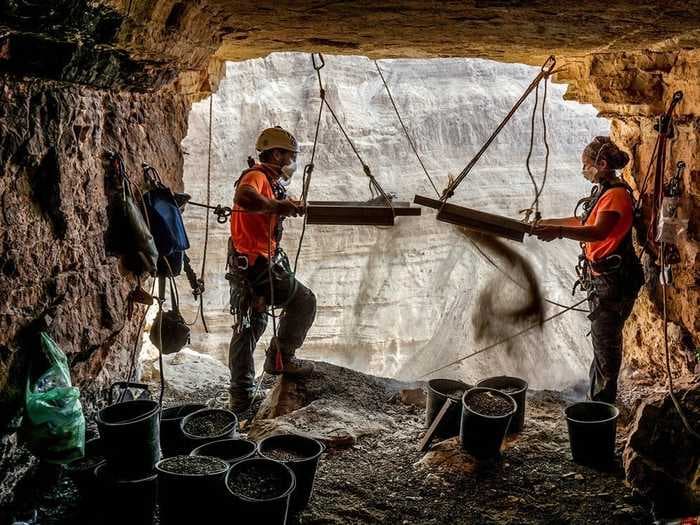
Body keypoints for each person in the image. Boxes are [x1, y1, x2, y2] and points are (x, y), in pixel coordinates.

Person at [533, 136, 644, 404]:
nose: (584, 170)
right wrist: (546, 222)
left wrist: (558, 232)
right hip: (604, 278)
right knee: (601, 342)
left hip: (614, 280)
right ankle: (597, 401)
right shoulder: (604, 192)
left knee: (606, 345)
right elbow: (583, 221)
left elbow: (598, 231)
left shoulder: (616, 195)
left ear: (601, 164)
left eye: (586, 165)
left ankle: (602, 409)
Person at [226, 126, 317, 414]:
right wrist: (278, 206)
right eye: (289, 157)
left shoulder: (267, 180)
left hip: (250, 264)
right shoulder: (256, 177)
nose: (290, 163)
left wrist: (283, 206)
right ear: (276, 153)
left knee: (252, 325)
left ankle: (240, 396)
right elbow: (245, 198)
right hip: (257, 266)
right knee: (304, 301)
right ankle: (282, 355)